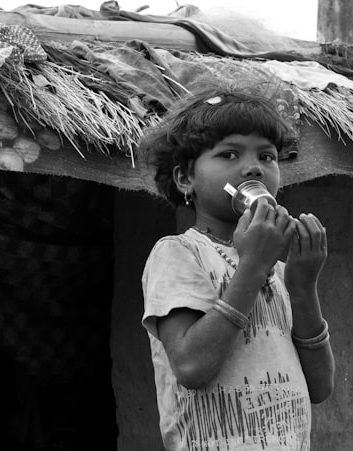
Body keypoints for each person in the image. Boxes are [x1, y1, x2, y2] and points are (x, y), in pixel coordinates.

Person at [140, 89, 335, 450]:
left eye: (267, 156)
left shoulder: (277, 270)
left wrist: (303, 286)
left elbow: (320, 387)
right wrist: (253, 265)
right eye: (229, 154)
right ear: (185, 179)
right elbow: (191, 368)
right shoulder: (179, 253)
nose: (253, 168)